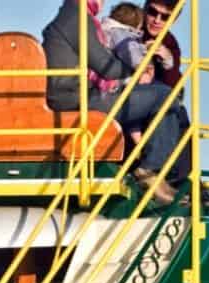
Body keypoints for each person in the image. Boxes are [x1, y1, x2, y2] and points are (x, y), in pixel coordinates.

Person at [41, 0, 183, 204]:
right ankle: (151, 171)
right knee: (165, 96)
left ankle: (158, 172)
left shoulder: (77, 16)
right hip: (76, 100)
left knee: (165, 95)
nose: (102, 2)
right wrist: (137, 70)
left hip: (79, 94)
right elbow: (105, 66)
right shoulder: (75, 18)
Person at [141, 0, 182, 89]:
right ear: (145, 9)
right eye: (153, 12)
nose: (157, 20)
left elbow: (171, 87)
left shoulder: (170, 43)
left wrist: (167, 60)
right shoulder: (130, 24)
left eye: (165, 17)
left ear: (173, 20)